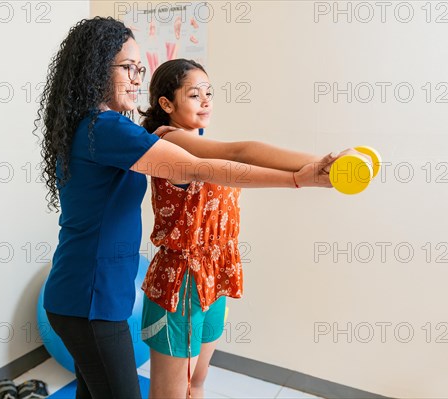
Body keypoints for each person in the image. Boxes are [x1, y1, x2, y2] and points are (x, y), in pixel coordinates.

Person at [35, 17, 348, 399]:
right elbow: (201, 167)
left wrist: (319, 163)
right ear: (96, 65)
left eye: (140, 69)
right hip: (88, 298)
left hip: (95, 294)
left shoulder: (100, 126)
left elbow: (236, 150)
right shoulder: (105, 129)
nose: (136, 79)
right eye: (128, 68)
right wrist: (300, 179)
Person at [138, 59, 370, 398]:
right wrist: (306, 175)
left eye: (209, 93)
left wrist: (323, 166)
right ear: (166, 104)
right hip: (182, 279)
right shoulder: (168, 140)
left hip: (215, 270)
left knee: (198, 382)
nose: (206, 101)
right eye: (194, 94)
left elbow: (246, 158)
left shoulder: (196, 141)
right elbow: (241, 152)